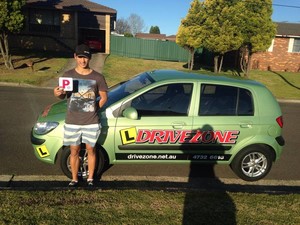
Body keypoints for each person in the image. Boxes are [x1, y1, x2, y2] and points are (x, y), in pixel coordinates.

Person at [53, 44, 108, 187]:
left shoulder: (98, 77)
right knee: (74, 150)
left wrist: (95, 108)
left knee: (91, 149)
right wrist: (57, 94)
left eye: (86, 57)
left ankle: (90, 178)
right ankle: (74, 179)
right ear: (75, 57)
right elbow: (63, 95)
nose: (83, 61)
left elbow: (104, 97)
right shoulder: (68, 75)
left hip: (91, 122)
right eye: (80, 57)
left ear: (90, 58)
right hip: (72, 121)